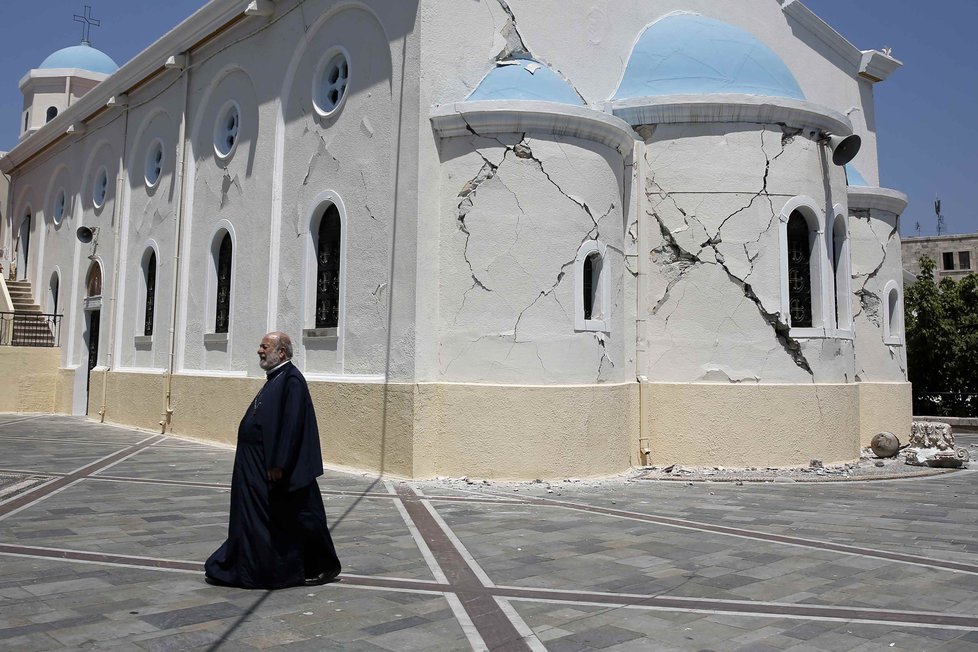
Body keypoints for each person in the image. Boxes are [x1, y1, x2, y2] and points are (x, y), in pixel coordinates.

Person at [205, 331, 341, 589]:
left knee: (304, 516)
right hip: (258, 464)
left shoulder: (291, 380)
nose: (259, 350)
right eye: (260, 346)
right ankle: (249, 565)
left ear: (281, 352)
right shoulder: (276, 378)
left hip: (278, 469)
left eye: (264, 346)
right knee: (270, 519)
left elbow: (291, 425)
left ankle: (322, 565)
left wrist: (277, 463)